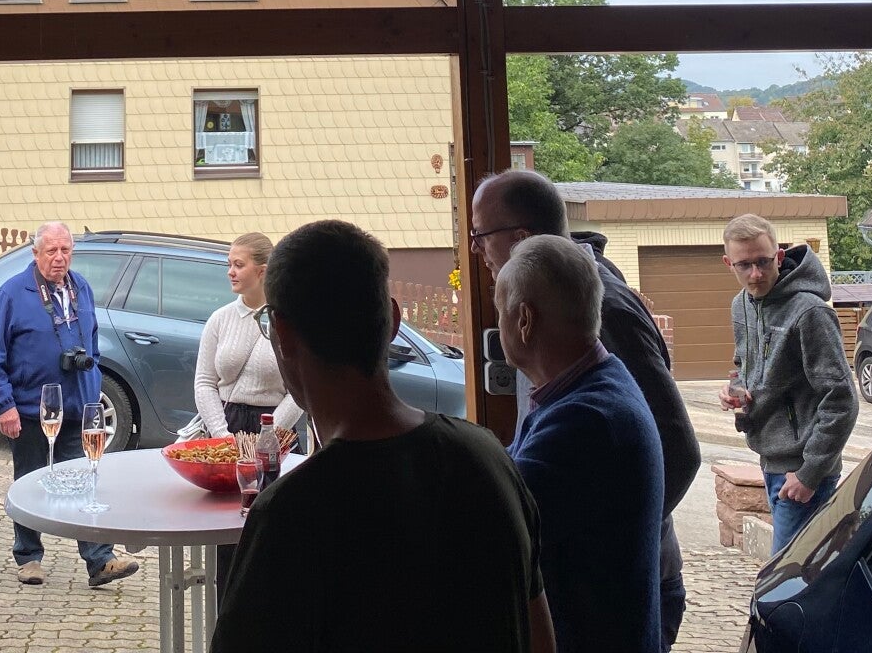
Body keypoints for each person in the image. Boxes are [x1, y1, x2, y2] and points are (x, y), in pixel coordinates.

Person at [211, 220, 555, 653]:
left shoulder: (290, 515)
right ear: (392, 320)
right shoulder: (490, 460)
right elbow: (541, 638)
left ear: (283, 336)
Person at [470, 170, 700, 646]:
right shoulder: (571, 349)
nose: (476, 250)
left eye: (480, 235)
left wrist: (620, 536)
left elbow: (678, 447)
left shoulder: (601, 318)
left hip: (612, 600)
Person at [500, 235, 665, 653]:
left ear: (524, 320)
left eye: (500, 311)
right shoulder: (596, 385)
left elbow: (492, 523)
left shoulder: (585, 421)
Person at [0, 222, 140, 590]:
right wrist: (3, 405)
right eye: (51, 251)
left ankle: (100, 559)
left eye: (65, 250)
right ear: (35, 253)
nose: (59, 258)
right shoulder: (12, 293)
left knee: (83, 481)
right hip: (31, 410)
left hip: (77, 407)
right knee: (30, 482)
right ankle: (29, 557)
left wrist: (92, 385)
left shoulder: (80, 287)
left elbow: (92, 343)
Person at [718, 214, 857, 555]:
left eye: (763, 262)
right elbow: (744, 367)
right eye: (744, 265)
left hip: (803, 472)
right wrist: (736, 391)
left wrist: (809, 474)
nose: (755, 274)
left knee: (786, 576)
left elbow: (842, 400)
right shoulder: (741, 305)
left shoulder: (810, 312)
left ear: (779, 256)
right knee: (801, 572)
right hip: (770, 462)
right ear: (728, 263)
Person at [192, 232, 301, 592]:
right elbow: (204, 382)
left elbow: (300, 390)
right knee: (229, 536)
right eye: (229, 264)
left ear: (262, 270)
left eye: (238, 265)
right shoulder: (220, 319)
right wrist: (222, 436)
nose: (230, 271)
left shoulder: (290, 319)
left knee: (277, 526)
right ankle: (227, 607)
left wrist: (268, 437)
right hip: (228, 427)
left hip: (276, 431)